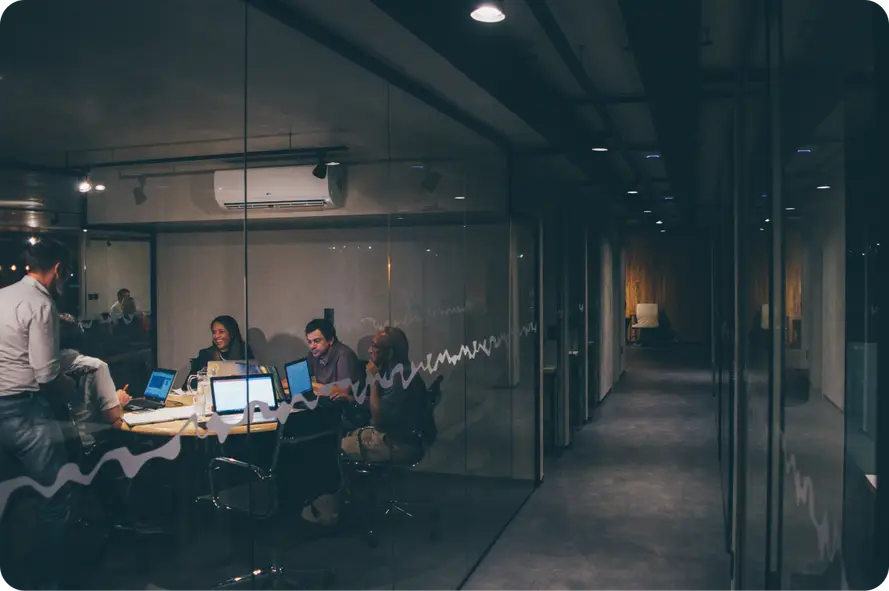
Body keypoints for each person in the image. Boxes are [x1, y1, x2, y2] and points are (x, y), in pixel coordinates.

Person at [0, 238, 75, 591]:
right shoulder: (40, 303)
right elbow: (45, 373)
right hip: (23, 410)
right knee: (56, 496)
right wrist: (71, 389)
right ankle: (47, 582)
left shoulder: (3, 295)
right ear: (58, 269)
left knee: (8, 496)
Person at [341, 327, 427, 463]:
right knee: (346, 433)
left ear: (389, 353)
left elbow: (378, 420)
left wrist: (375, 378)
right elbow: (384, 404)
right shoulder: (399, 371)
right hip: (393, 436)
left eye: (375, 347)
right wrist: (353, 400)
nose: (370, 351)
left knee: (337, 447)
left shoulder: (400, 378)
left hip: (396, 444)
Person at [304, 318, 363, 399]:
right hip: (325, 401)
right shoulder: (314, 354)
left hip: (345, 406)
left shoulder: (344, 355)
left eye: (317, 341)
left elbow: (342, 391)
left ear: (330, 340)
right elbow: (299, 379)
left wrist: (308, 384)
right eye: (309, 342)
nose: (312, 346)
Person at [185, 315, 254, 382]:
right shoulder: (205, 354)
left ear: (232, 334)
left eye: (221, 332)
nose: (216, 336)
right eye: (214, 332)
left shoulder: (244, 352)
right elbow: (188, 386)